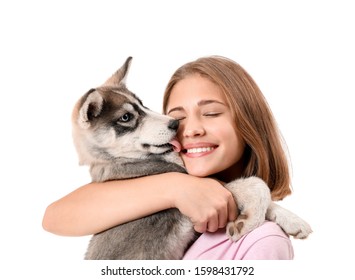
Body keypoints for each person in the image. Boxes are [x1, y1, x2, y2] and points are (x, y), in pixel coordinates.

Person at [42, 55, 294, 259]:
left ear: (249, 123)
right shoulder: (150, 178)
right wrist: (176, 186)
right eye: (178, 118)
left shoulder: (262, 243)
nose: (190, 129)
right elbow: (54, 217)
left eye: (212, 113)